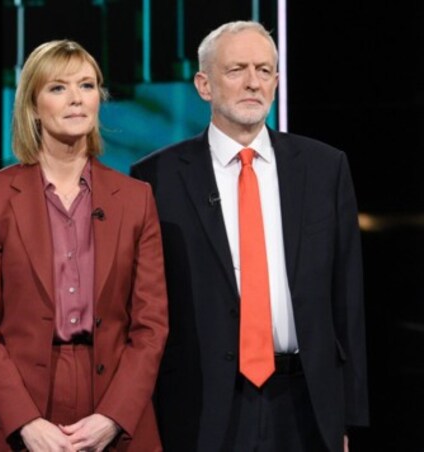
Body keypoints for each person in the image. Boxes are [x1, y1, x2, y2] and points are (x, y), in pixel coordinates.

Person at [130, 20, 369, 451]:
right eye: (236, 69)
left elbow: (346, 299)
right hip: (201, 405)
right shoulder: (155, 178)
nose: (253, 82)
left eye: (264, 70)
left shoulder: (324, 168)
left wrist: (348, 416)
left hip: (307, 403)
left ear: (277, 82)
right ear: (204, 85)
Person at [0, 39, 168, 452]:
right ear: (33, 105)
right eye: (58, 88)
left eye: (87, 86)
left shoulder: (135, 197)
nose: (76, 99)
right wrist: (25, 422)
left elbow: (151, 326)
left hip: (111, 398)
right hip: (18, 400)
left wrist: (113, 416)